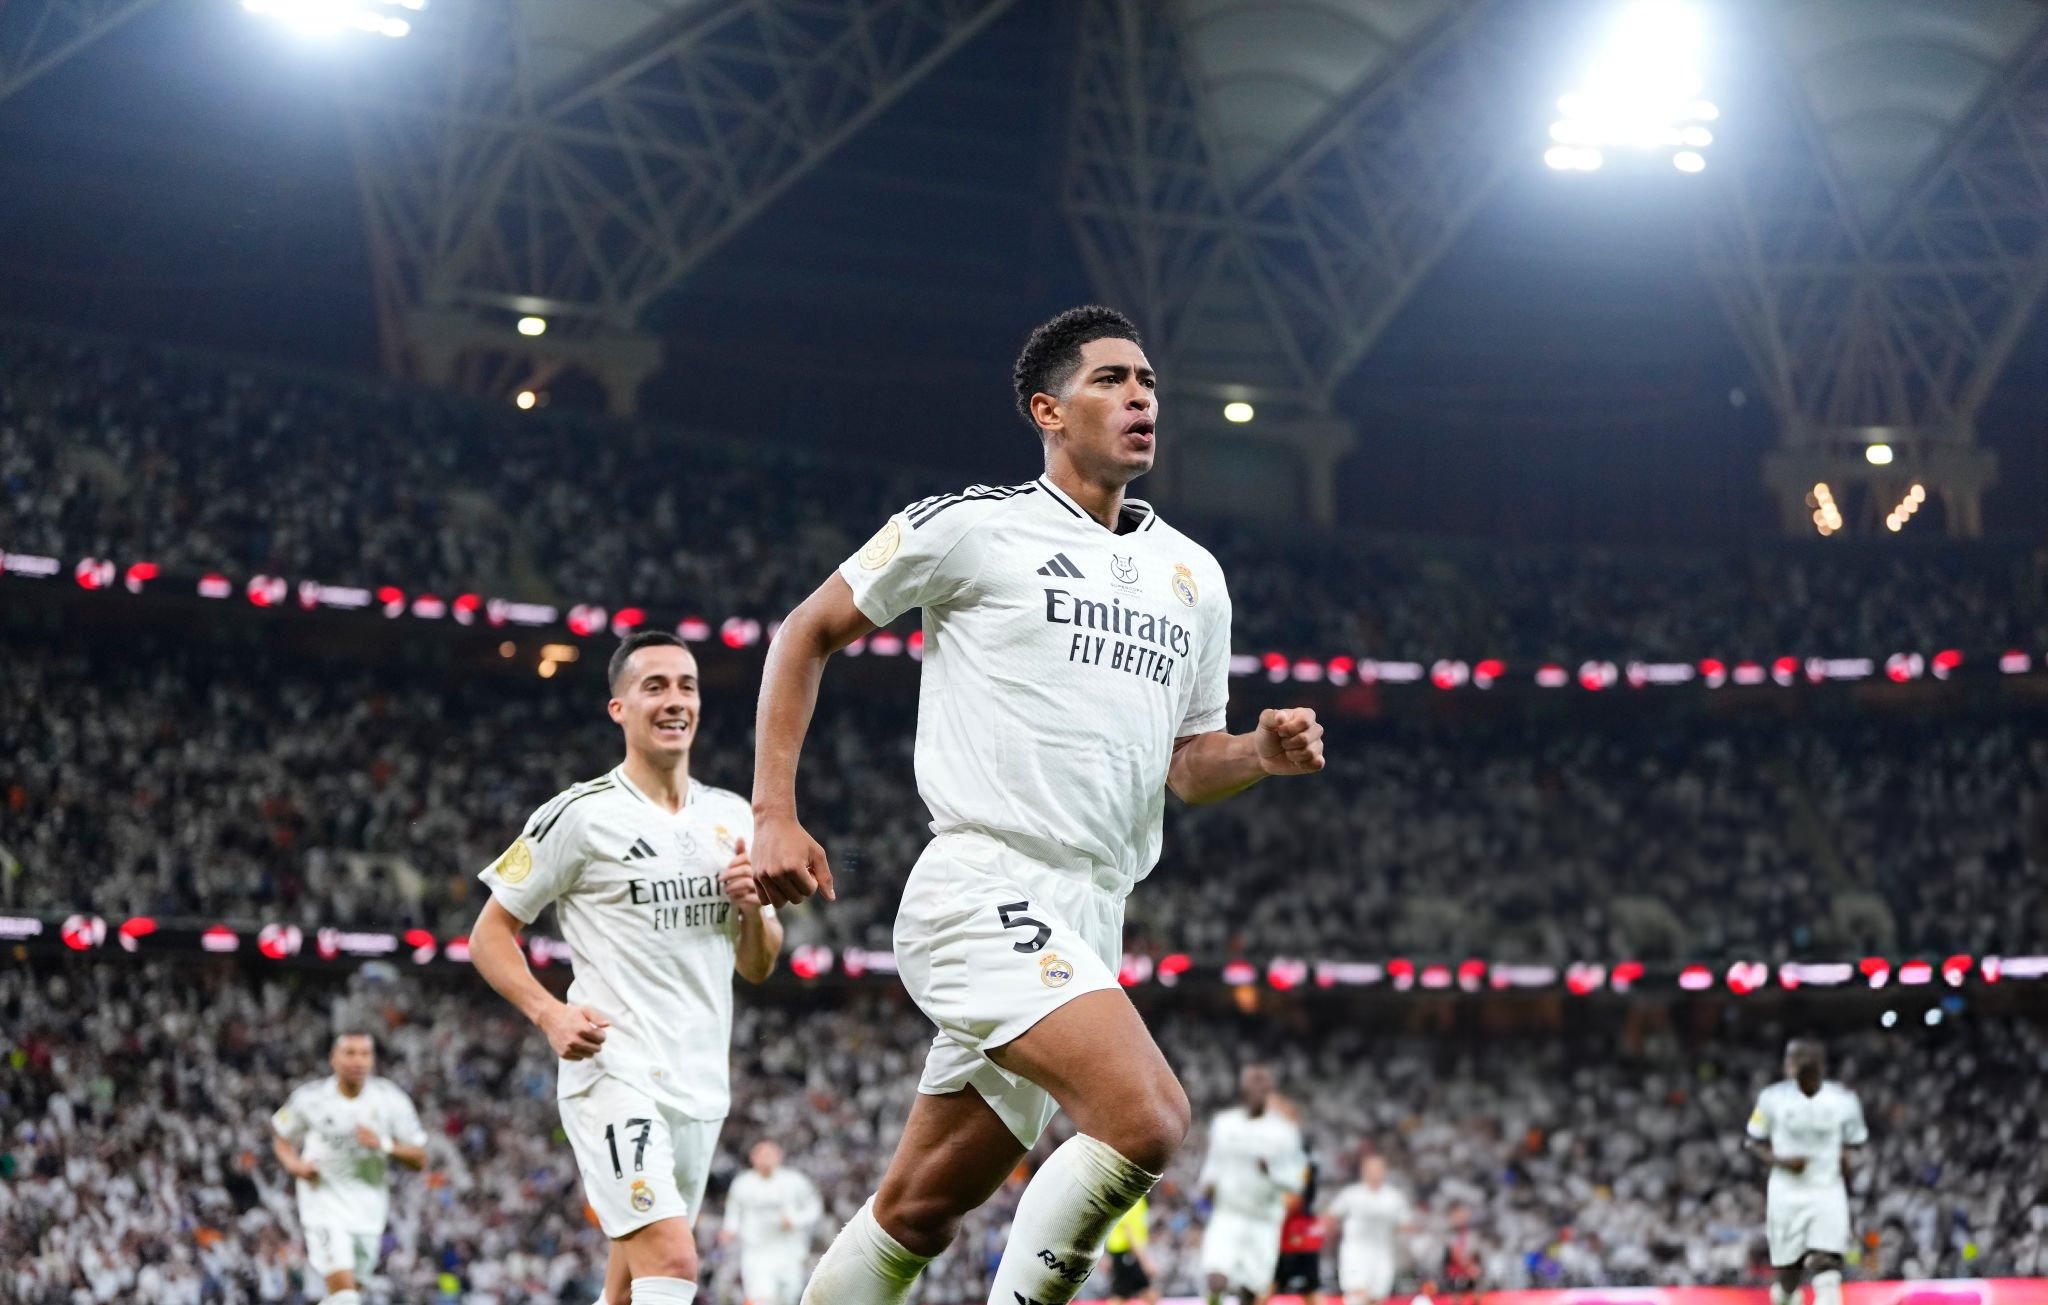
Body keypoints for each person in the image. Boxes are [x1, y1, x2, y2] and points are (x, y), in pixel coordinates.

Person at [751, 305, 1327, 1305]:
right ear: (1046, 411)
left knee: (919, 1210)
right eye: (1111, 379)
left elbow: (1187, 766)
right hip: (983, 887)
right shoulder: (971, 526)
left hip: (1092, 913)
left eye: (1148, 381)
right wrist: (772, 811)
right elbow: (806, 630)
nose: (1140, 397)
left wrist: (1258, 755)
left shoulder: (1194, 577)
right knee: (1146, 1118)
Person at [471, 631, 784, 1305]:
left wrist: (753, 911)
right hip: (615, 1071)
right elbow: (488, 935)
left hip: (701, 1085)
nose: (675, 700)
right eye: (655, 686)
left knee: (629, 1287)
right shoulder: (581, 816)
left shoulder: (732, 817)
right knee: (672, 1259)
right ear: (619, 708)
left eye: (686, 686)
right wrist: (549, 1012)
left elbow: (758, 965)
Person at [270, 1032, 427, 1305]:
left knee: (349, 1296)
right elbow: (281, 1135)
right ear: (334, 1058)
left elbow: (419, 1159)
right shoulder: (311, 1098)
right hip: (323, 1206)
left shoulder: (390, 1100)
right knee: (346, 1296)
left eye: (365, 1054)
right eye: (350, 1053)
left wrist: (383, 1144)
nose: (358, 1061)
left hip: (369, 1212)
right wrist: (295, 1165)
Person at [1746, 1037, 1869, 1305]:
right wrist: (1781, 1161)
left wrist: (1847, 1163)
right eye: (1793, 1061)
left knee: (1827, 1259)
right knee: (1791, 1269)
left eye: (1805, 1061)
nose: (1796, 1067)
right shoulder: (1771, 1098)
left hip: (1827, 1189)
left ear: (1821, 1066)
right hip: (1786, 1193)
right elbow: (1753, 1142)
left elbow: (1857, 1143)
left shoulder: (1843, 1099)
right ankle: (1785, 1295)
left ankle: (1827, 1297)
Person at [1198, 1065, 1308, 1304]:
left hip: (1263, 1220)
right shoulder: (1225, 1124)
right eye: (1252, 1085)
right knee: (1216, 1278)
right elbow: (1214, 1163)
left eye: (1262, 1085)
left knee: (1251, 1292)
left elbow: (1296, 1181)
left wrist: (1271, 1171)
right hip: (1228, 1214)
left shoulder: (1284, 1132)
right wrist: (1207, 1186)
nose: (1257, 1091)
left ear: (1269, 1090)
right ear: (1243, 1089)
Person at [724, 1140, 825, 1305]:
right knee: (760, 1297)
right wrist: (729, 1229)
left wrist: (795, 1220)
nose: (766, 1159)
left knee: (789, 1296)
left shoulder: (794, 1181)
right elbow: (733, 1211)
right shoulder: (742, 1183)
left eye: (770, 1155)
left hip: (788, 1250)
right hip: (756, 1251)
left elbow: (814, 1207)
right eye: (762, 1155)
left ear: (779, 1157)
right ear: (753, 1158)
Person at [1327, 1153, 1412, 1304]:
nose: (1375, 1173)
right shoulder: (1351, 1194)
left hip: (1382, 1254)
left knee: (1377, 1298)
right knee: (1357, 1296)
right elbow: (1331, 1216)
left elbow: (1406, 1225)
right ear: (1363, 1171)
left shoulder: (1394, 1197)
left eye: (1379, 1169)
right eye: (1371, 1169)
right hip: (1355, 1254)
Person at [1103, 1193, 1159, 1305]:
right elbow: (1129, 1234)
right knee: (1120, 1295)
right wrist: (1145, 1261)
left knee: (1146, 1292)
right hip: (1126, 1253)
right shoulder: (1132, 1199)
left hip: (1128, 1253)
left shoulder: (1139, 1199)